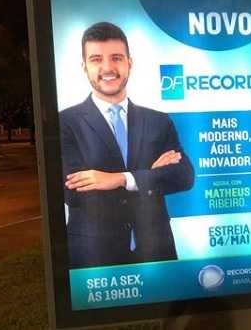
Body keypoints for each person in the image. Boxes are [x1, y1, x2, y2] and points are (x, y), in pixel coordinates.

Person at [60, 22, 194, 268]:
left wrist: (120, 179)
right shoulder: (64, 123)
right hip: (95, 257)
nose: (107, 68)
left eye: (116, 58)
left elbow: (183, 176)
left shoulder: (158, 121)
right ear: (84, 66)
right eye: (96, 59)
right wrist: (151, 175)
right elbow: (73, 192)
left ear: (129, 63)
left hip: (156, 251)